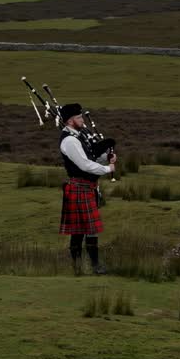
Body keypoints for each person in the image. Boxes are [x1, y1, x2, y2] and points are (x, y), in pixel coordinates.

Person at [58, 102, 116, 275]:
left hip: (88, 187)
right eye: (78, 117)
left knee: (84, 230)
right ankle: (90, 267)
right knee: (84, 231)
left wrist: (106, 158)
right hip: (79, 187)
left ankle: (88, 266)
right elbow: (84, 165)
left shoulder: (79, 137)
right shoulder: (69, 141)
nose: (82, 120)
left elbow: (91, 159)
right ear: (69, 121)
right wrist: (108, 169)